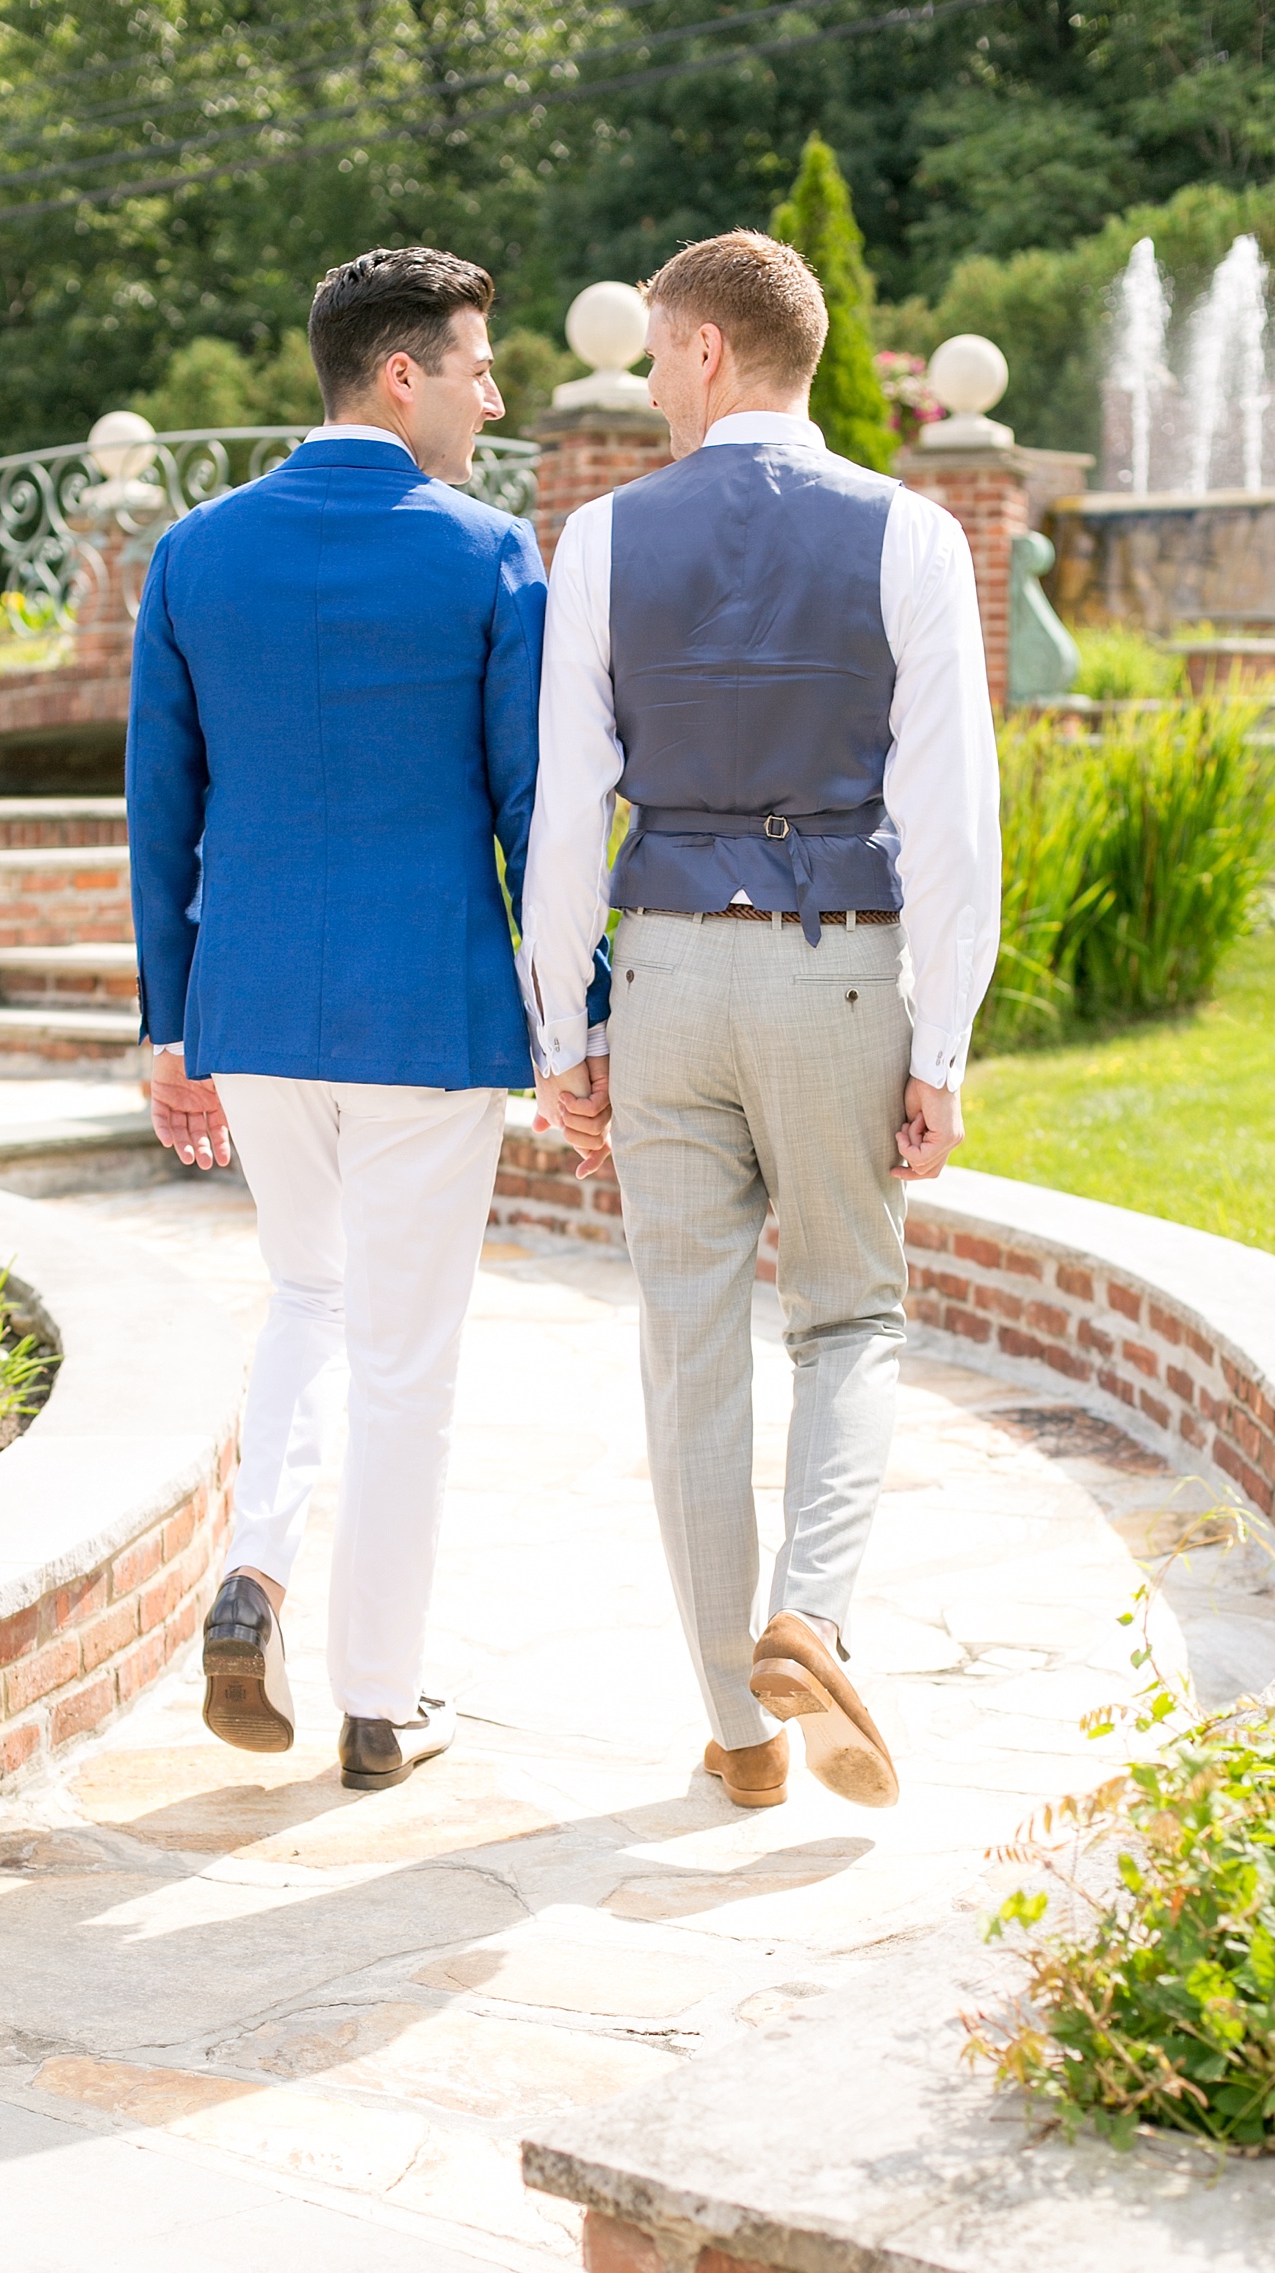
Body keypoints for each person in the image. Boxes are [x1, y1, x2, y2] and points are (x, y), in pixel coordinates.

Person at [518, 231, 1001, 1812]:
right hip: (836, 968)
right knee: (852, 1316)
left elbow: (565, 809)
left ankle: (741, 1729)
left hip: (659, 975)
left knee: (688, 1352)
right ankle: (814, 1612)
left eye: (661, 354)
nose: (655, 384)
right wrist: (942, 1048)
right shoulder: (912, 533)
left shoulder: (597, 541)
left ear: (710, 352)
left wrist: (561, 1030)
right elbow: (952, 816)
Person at [129, 246, 600, 1792]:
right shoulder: (485, 556)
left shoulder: (194, 557)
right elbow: (537, 812)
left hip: (251, 1003)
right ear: (402, 376)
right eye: (479, 364)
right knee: (409, 1359)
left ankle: (255, 1569)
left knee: (307, 1296)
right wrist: (569, 1018)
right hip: (425, 1011)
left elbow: (159, 809)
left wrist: (168, 1023)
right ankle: (381, 1702)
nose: (496, 391)